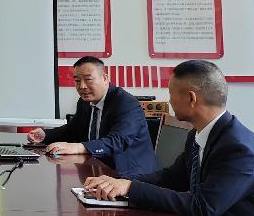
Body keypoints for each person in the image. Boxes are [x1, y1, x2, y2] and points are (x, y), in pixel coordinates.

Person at [84, 60, 254, 216]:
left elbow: (202, 208)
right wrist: (119, 182)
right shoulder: (199, 134)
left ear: (191, 98)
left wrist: (131, 188)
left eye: (171, 93)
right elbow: (170, 178)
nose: (169, 100)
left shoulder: (239, 149)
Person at [27, 56, 157, 176]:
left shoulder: (126, 103)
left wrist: (78, 147)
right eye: (77, 81)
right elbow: (72, 129)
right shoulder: (84, 102)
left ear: (104, 78)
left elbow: (117, 141)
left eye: (88, 79)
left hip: (129, 176)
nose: (82, 86)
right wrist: (45, 135)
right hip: (96, 170)